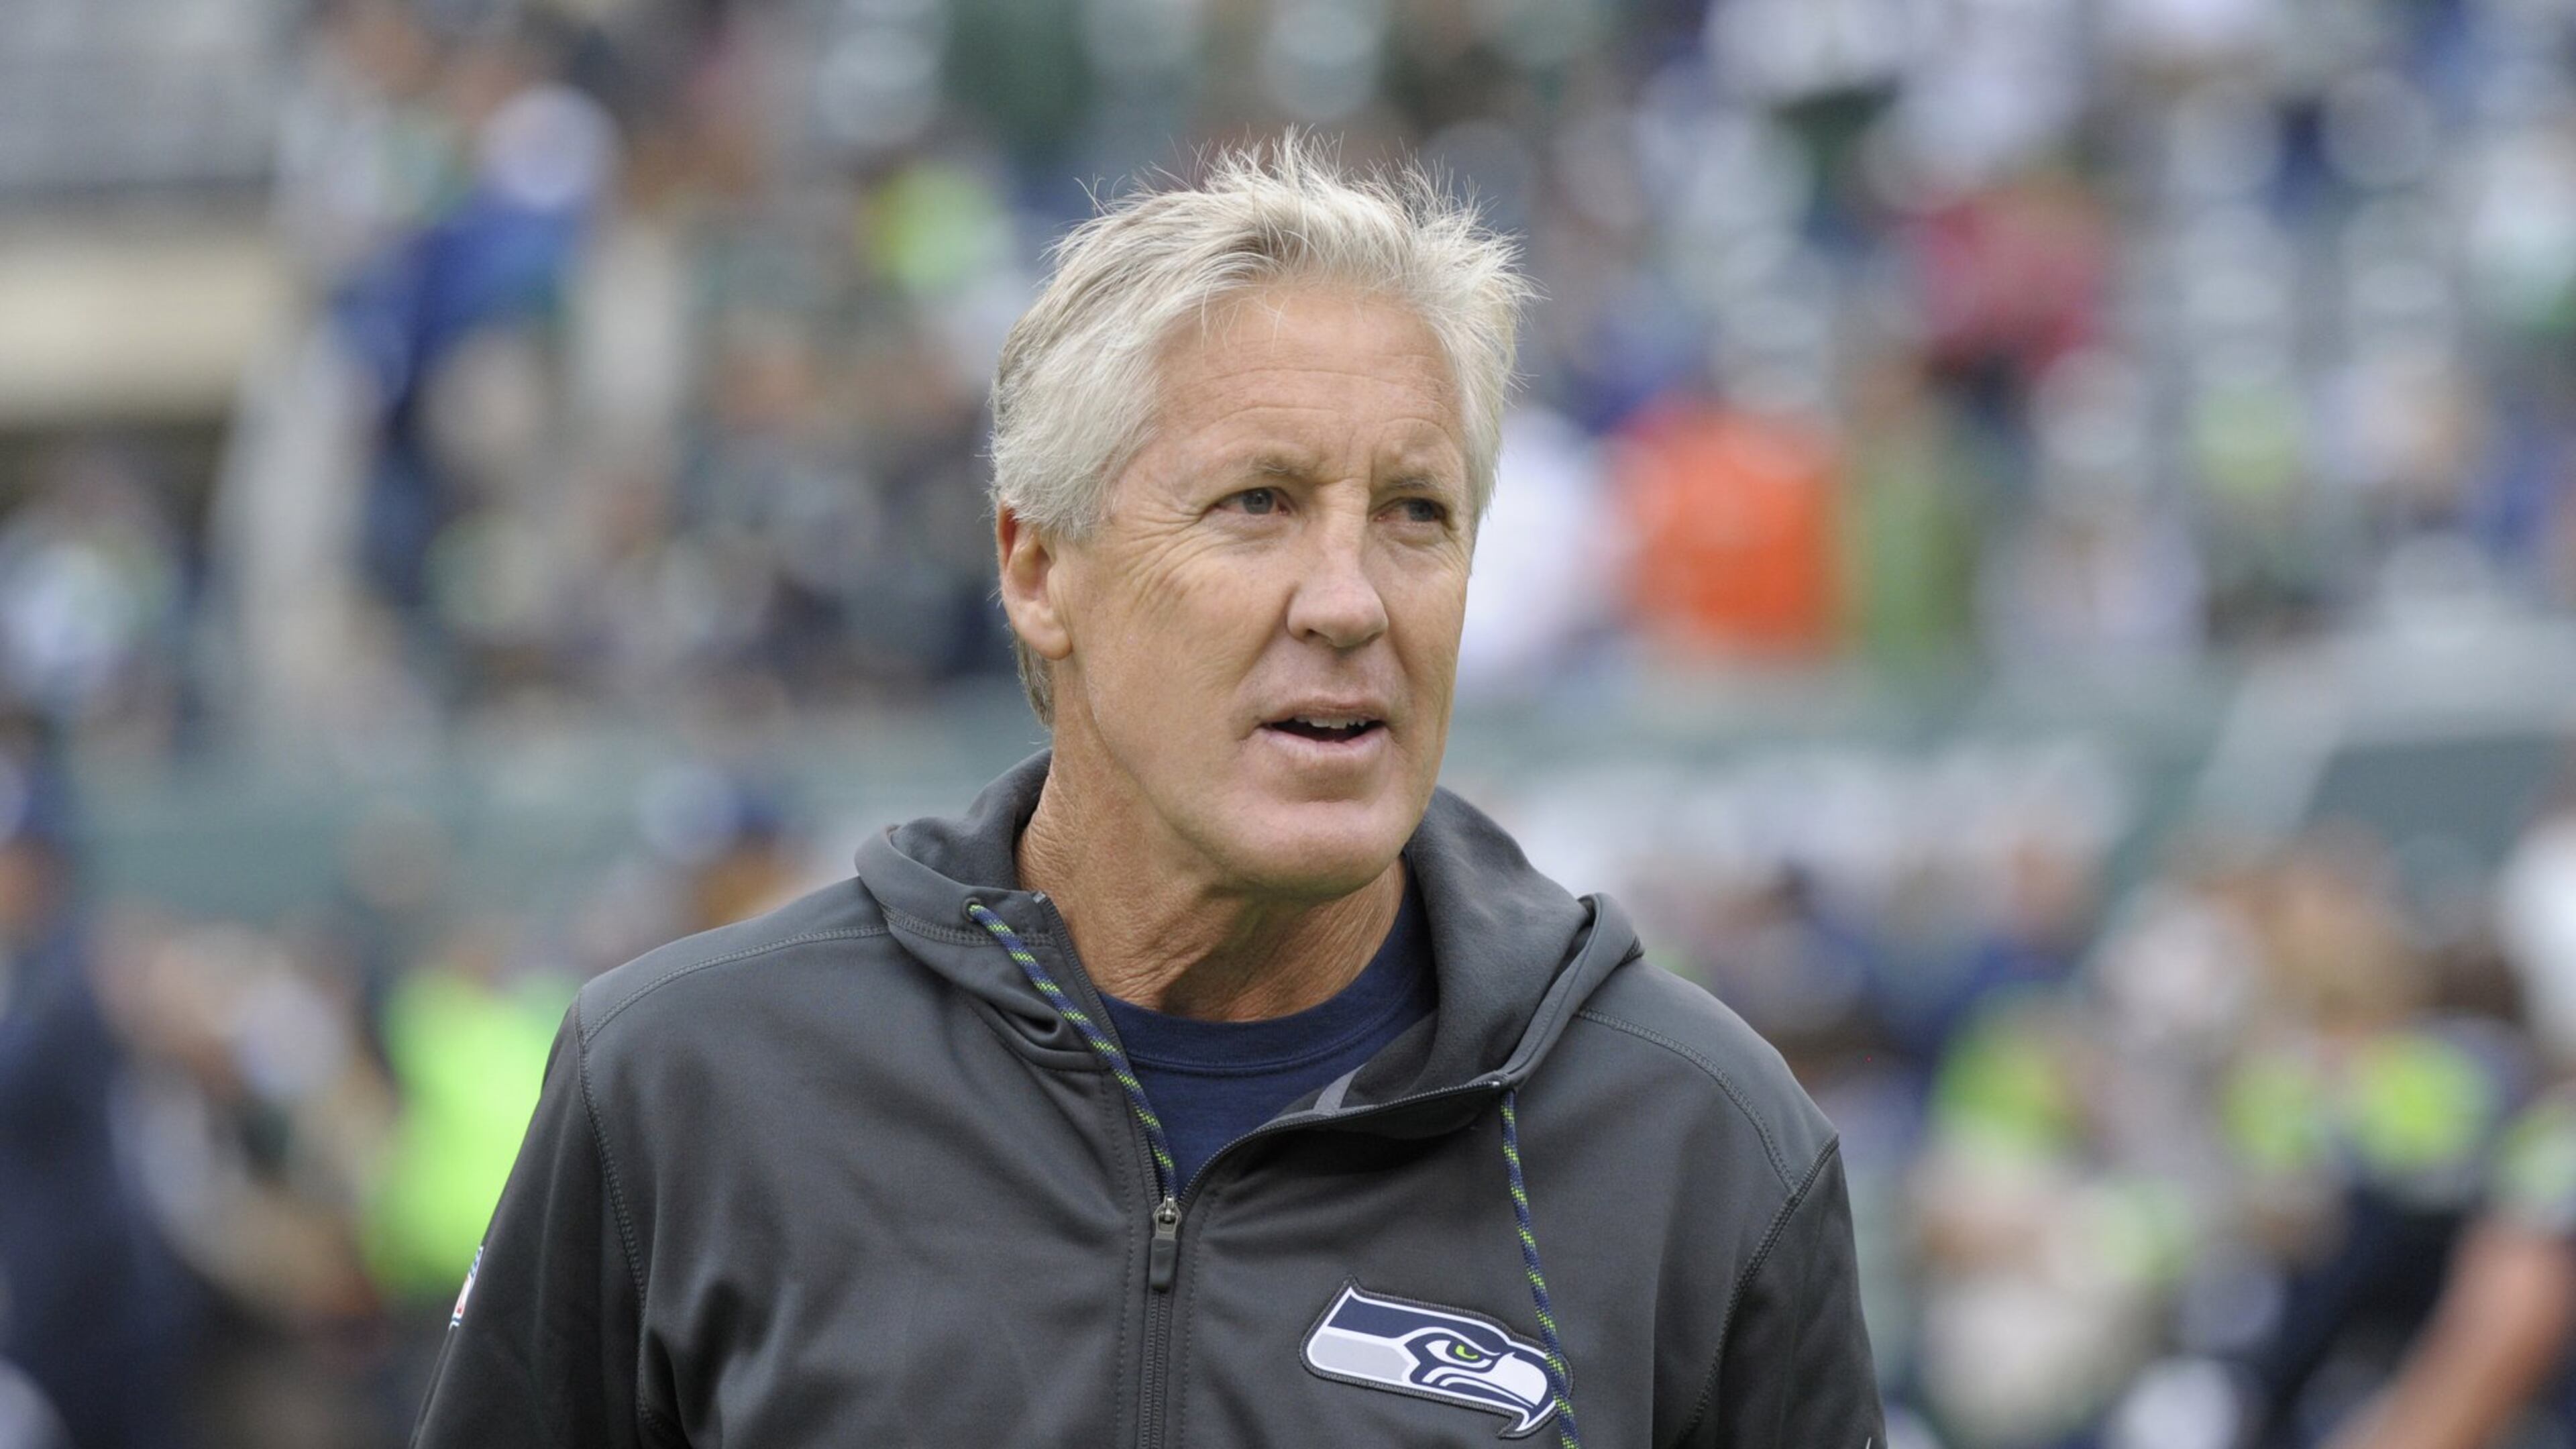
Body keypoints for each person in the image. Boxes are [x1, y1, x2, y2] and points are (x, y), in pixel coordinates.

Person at [409, 136, 1883, 1448]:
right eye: (1259, 503)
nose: (1350, 599)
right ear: (1039, 569)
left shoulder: (1697, 1141)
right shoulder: (688, 1082)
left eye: (1417, 515)